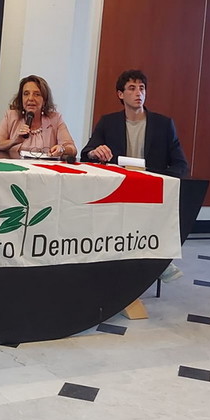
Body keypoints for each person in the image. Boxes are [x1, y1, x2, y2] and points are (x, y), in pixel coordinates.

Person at [82, 69, 189, 281]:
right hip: (117, 189)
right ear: (120, 94)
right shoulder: (108, 122)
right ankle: (151, 262)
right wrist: (95, 152)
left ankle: (154, 262)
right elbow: (87, 153)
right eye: (131, 88)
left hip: (149, 191)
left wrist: (158, 179)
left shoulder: (163, 124)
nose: (138, 93)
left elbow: (181, 165)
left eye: (142, 88)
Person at [0, 75, 77, 158]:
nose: (30, 98)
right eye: (26, 94)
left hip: (43, 168)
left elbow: (72, 149)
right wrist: (13, 141)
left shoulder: (55, 119)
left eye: (37, 94)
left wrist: (62, 149)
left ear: (44, 100)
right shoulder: (11, 116)